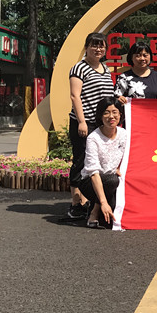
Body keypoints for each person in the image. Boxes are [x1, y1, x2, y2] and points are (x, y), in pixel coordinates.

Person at [66, 32, 115, 221]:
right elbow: (75, 96)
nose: (98, 49)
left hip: (101, 123)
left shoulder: (105, 68)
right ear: (86, 47)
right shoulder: (79, 68)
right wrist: (82, 121)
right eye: (94, 45)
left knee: (98, 162)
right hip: (84, 122)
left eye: (101, 45)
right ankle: (76, 202)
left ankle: (91, 201)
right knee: (81, 160)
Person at [80, 97, 127, 229]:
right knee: (111, 181)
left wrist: (119, 168)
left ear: (120, 115)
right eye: (106, 113)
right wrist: (103, 202)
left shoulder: (124, 134)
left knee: (109, 221)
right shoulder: (93, 138)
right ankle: (95, 211)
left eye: (114, 112)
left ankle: (96, 208)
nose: (111, 116)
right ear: (100, 116)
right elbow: (93, 172)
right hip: (91, 181)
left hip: (115, 180)